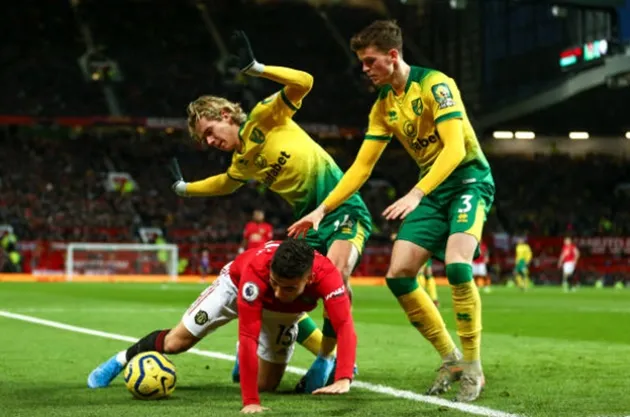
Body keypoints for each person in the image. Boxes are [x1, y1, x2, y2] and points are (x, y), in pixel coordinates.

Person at [289, 20, 494, 401]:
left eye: (370, 62)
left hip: (468, 180)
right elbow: (362, 167)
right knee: (399, 274)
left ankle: (473, 366)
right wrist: (322, 209)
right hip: (433, 191)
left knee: (457, 266)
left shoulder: (437, 85)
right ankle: (450, 358)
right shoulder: (384, 105)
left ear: (393, 55)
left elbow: (453, 149)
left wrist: (416, 193)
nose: (364, 70)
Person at [169, 31, 371, 389]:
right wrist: (186, 189)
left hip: (341, 206)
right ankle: (273, 349)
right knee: (286, 287)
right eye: (206, 141)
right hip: (306, 223)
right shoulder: (243, 159)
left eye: (212, 132)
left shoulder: (266, 116)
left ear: (228, 114)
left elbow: (304, 83)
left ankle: (328, 362)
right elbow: (225, 183)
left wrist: (257, 68)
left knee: (337, 278)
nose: (212, 142)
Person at [87, 239, 357, 414]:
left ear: (308, 278)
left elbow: (344, 324)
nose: (276, 292)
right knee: (175, 343)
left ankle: (272, 342)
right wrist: (250, 402)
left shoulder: (328, 277)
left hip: (285, 315)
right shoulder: (258, 272)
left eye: (287, 287)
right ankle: (121, 359)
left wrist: (343, 376)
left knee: (267, 386)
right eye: (275, 282)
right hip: (234, 288)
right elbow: (248, 334)